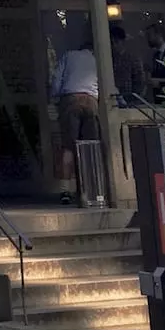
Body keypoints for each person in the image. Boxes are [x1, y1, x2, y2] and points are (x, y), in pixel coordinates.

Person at [50, 35, 98, 205]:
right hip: (91, 100)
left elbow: (56, 79)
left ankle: (65, 190)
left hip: (70, 99)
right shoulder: (97, 59)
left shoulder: (69, 56)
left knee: (68, 147)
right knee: (89, 146)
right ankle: (90, 189)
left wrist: (55, 97)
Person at [110, 22, 145, 106]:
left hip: (129, 99)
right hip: (112, 99)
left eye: (116, 42)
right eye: (111, 42)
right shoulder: (109, 60)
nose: (114, 45)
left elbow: (139, 81)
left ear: (123, 41)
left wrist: (134, 99)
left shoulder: (133, 59)